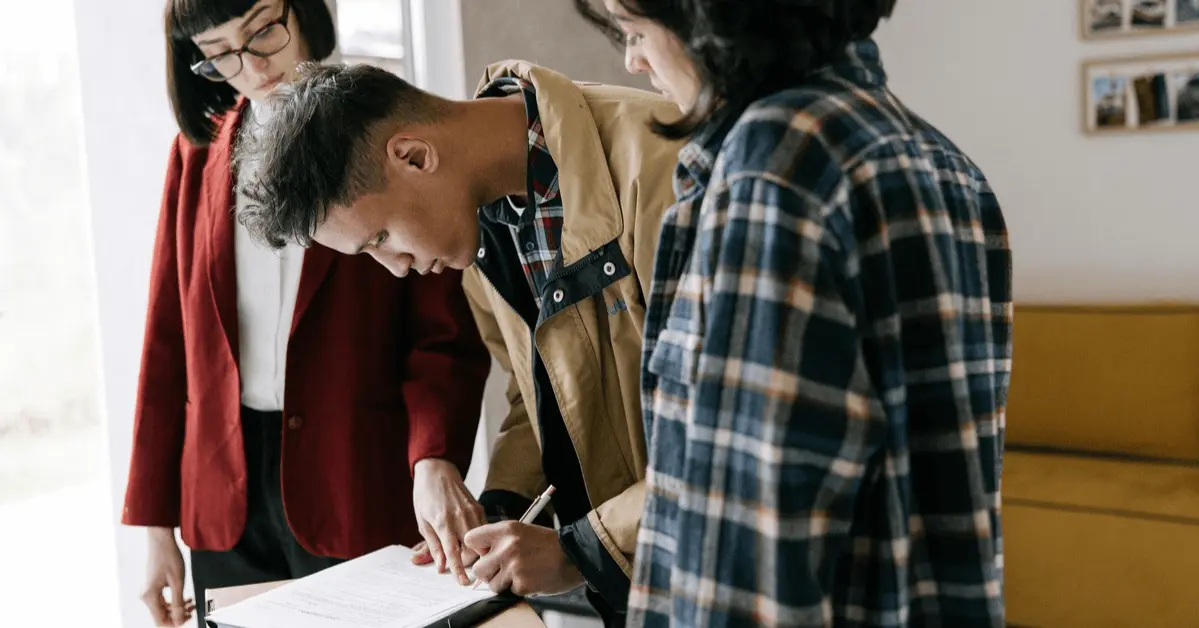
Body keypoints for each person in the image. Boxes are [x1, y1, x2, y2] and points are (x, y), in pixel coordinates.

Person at [574, 1, 1014, 626]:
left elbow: (749, 548)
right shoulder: (944, 162)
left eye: (638, 31)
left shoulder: (774, 168)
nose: (631, 59)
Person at [231, 59, 683, 625]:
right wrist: (499, 511)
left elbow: (732, 436)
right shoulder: (480, 227)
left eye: (381, 237)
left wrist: (580, 551)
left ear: (414, 156)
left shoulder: (667, 168)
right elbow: (542, 394)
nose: (393, 269)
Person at [122, 2, 491, 626]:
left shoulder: (384, 131)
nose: (252, 65)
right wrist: (156, 525)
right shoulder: (196, 156)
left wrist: (435, 456)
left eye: (264, 30)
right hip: (224, 494)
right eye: (221, 53)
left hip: (354, 476)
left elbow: (442, 335)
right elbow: (166, 343)